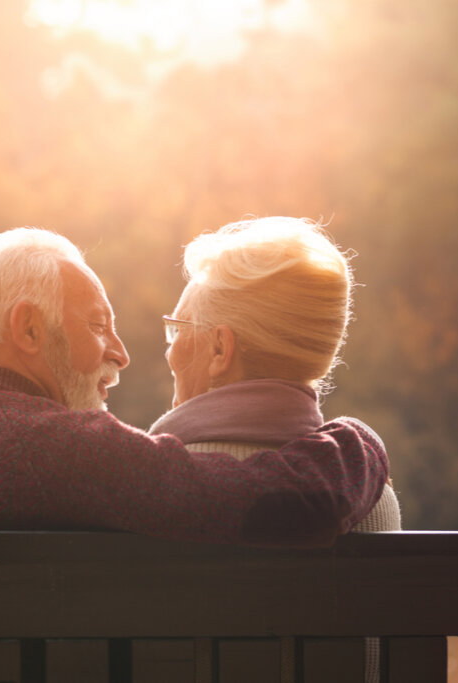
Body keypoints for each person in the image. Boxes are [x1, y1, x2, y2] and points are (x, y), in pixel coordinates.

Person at [0, 227, 390, 547]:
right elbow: (275, 504)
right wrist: (359, 442)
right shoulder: (53, 447)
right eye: (99, 326)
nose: (122, 353)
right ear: (29, 329)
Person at [148, 216, 399, 680]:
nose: (169, 350)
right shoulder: (374, 495)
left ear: (221, 349)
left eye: (178, 328)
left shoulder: (159, 486)